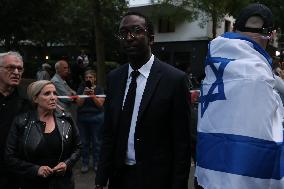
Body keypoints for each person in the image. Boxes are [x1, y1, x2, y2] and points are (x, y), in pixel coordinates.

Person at [95, 12, 191, 189]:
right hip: (119, 177)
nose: (129, 37)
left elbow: (182, 142)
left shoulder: (174, 80)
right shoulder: (115, 78)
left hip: (157, 179)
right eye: (123, 33)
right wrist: (101, 178)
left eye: (137, 31)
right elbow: (109, 132)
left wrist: (179, 184)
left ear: (151, 38)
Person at [195, 3, 284, 189]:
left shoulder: (211, 70)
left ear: (234, 29)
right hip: (245, 179)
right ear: (271, 35)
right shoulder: (262, 78)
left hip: (208, 175)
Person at [5, 80, 81, 189]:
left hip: (62, 184)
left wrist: (67, 164)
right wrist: (35, 169)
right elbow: (10, 156)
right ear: (35, 99)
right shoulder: (21, 122)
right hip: (32, 183)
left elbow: (78, 147)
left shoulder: (66, 118)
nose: (53, 97)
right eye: (47, 93)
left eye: (55, 93)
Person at [0, 51, 31, 189]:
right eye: (10, 67)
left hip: (17, 174)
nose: (16, 72)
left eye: (20, 68)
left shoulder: (29, 101)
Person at [76, 70, 105, 173]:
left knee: (97, 142)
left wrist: (92, 95)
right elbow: (78, 104)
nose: (88, 79)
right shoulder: (81, 88)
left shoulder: (99, 89)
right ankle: (85, 163)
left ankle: (97, 163)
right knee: (84, 142)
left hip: (97, 118)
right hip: (83, 118)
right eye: (87, 77)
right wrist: (84, 93)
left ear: (94, 79)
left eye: (90, 77)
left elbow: (100, 104)